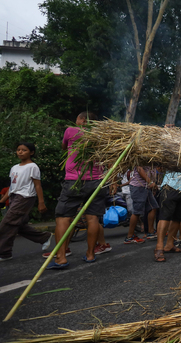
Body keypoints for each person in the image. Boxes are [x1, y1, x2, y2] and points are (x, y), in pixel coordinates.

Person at [48, 112, 107, 269]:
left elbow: (63, 146)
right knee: (93, 219)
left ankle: (61, 257)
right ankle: (90, 254)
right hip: (97, 181)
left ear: (81, 120)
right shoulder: (103, 136)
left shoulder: (71, 131)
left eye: (77, 119)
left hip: (74, 181)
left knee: (63, 217)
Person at [0, 143, 52, 261]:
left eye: (24, 150)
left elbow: (37, 185)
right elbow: (12, 187)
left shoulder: (32, 167)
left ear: (31, 152)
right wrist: (2, 201)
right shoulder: (14, 167)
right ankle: (44, 237)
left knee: (6, 224)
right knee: (17, 225)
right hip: (14, 197)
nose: (20, 152)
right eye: (18, 150)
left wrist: (41, 202)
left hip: (25, 197)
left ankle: (3, 252)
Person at [153, 171, 181, 262]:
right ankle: (159, 247)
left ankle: (169, 245)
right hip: (170, 186)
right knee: (164, 217)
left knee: (178, 218)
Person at [124, 166, 158, 244]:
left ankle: (151, 231)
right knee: (137, 212)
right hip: (138, 187)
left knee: (153, 207)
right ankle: (130, 236)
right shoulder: (142, 158)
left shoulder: (151, 161)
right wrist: (150, 182)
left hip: (146, 187)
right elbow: (139, 169)